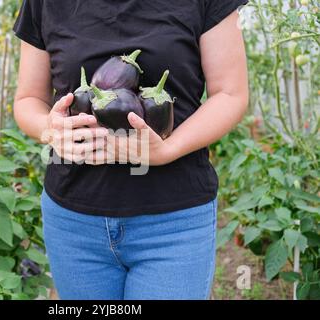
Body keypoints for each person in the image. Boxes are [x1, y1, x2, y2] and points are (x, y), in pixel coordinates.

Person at [13, 0, 249, 300]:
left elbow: (231, 93)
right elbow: (28, 99)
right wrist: (49, 128)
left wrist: (167, 149)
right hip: (74, 223)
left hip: (173, 224)